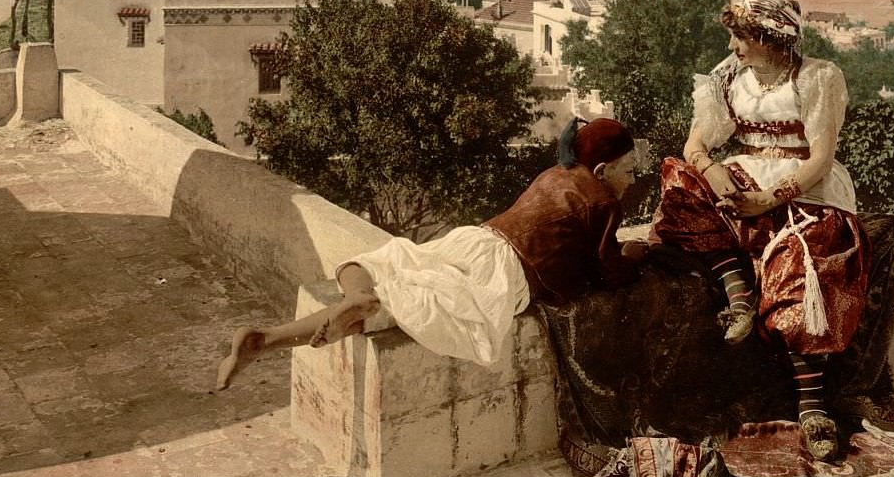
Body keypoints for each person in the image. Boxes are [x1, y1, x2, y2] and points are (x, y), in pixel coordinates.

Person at [217, 117, 645, 389]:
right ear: (603, 169)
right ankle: (359, 305)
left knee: (386, 262)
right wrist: (635, 255)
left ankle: (268, 338)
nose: (633, 179)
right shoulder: (602, 200)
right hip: (508, 271)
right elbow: (608, 273)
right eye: (629, 170)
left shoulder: (556, 173)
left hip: (477, 240)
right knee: (416, 305)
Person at [649, 0, 869, 462]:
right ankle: (740, 300)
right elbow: (694, 146)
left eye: (741, 37)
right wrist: (713, 172)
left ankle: (812, 407)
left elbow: (820, 159)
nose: (732, 46)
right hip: (743, 176)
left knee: (805, 266)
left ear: (772, 38)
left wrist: (767, 201)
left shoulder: (818, 77)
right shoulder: (727, 76)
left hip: (804, 187)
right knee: (679, 186)